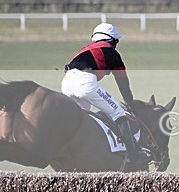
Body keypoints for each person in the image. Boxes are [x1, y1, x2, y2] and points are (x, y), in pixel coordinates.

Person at [62, 22, 150, 167]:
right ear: (112, 40)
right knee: (119, 113)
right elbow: (123, 82)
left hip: (66, 83)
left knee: (81, 119)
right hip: (85, 84)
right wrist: (130, 103)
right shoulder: (112, 52)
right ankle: (135, 156)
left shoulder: (83, 50)